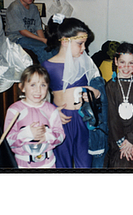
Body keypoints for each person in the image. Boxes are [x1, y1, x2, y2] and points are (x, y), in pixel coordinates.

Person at [42, 14, 104, 168]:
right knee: (62, 162)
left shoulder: (86, 63)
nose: (84, 48)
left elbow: (98, 85)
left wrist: (95, 93)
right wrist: (53, 111)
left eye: (85, 44)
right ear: (64, 41)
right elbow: (39, 98)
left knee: (85, 161)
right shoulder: (47, 66)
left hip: (83, 118)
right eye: (80, 44)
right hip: (61, 120)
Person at [4, 64, 65, 168]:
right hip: (22, 164)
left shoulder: (51, 110)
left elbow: (61, 136)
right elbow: (8, 140)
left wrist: (47, 135)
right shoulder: (14, 110)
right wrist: (28, 133)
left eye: (43, 85)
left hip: (48, 164)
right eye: (33, 85)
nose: (38, 90)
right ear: (22, 87)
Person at [104, 42, 133, 169]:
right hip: (117, 138)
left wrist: (131, 140)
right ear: (116, 61)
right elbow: (112, 118)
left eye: (131, 63)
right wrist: (122, 143)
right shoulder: (110, 86)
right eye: (122, 62)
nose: (126, 67)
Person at [5, 0, 57, 64]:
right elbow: (22, 31)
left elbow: (38, 28)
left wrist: (44, 40)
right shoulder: (15, 8)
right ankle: (48, 73)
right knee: (42, 48)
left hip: (31, 37)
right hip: (17, 38)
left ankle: (58, 70)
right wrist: (42, 40)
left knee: (53, 47)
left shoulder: (34, 8)